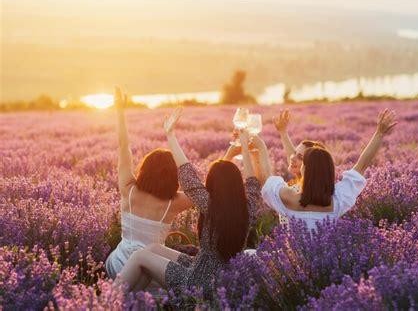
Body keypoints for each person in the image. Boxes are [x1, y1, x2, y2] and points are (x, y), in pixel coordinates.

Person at [117, 108, 260, 297]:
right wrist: (244, 144)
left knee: (141, 256)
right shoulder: (248, 206)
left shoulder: (210, 206)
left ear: (213, 186)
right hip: (218, 275)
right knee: (152, 249)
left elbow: (187, 174)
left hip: (197, 281)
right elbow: (252, 182)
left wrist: (171, 135)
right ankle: (130, 301)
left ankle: (107, 302)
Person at [254, 109, 397, 231]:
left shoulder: (288, 197)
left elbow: (267, 179)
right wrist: (379, 134)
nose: (293, 159)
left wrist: (259, 147)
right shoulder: (337, 199)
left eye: (301, 159)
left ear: (306, 168)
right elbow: (362, 165)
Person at [105, 88, 193, 279]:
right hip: (150, 270)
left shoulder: (128, 189)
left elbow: (123, 146)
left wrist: (120, 112)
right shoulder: (174, 202)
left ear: (144, 170)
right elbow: (202, 191)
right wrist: (228, 156)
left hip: (119, 264)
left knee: (113, 259)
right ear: (173, 176)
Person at [272, 109, 325, 224]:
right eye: (294, 153)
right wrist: (283, 132)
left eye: (300, 158)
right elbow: (293, 158)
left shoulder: (294, 192)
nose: (292, 158)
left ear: (311, 166)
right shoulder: (323, 192)